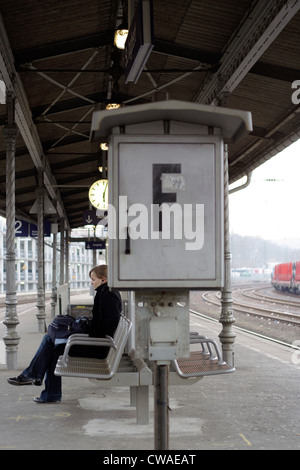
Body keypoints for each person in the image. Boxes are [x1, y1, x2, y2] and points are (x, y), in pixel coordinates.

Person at [7, 265, 122, 403]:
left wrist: (83, 329)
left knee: (55, 347)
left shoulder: (108, 296)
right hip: (96, 342)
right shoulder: (105, 293)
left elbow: (105, 327)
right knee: (50, 339)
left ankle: (40, 383)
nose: (91, 283)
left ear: (103, 280)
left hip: (98, 347)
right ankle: (35, 378)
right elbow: (100, 324)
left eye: (93, 279)